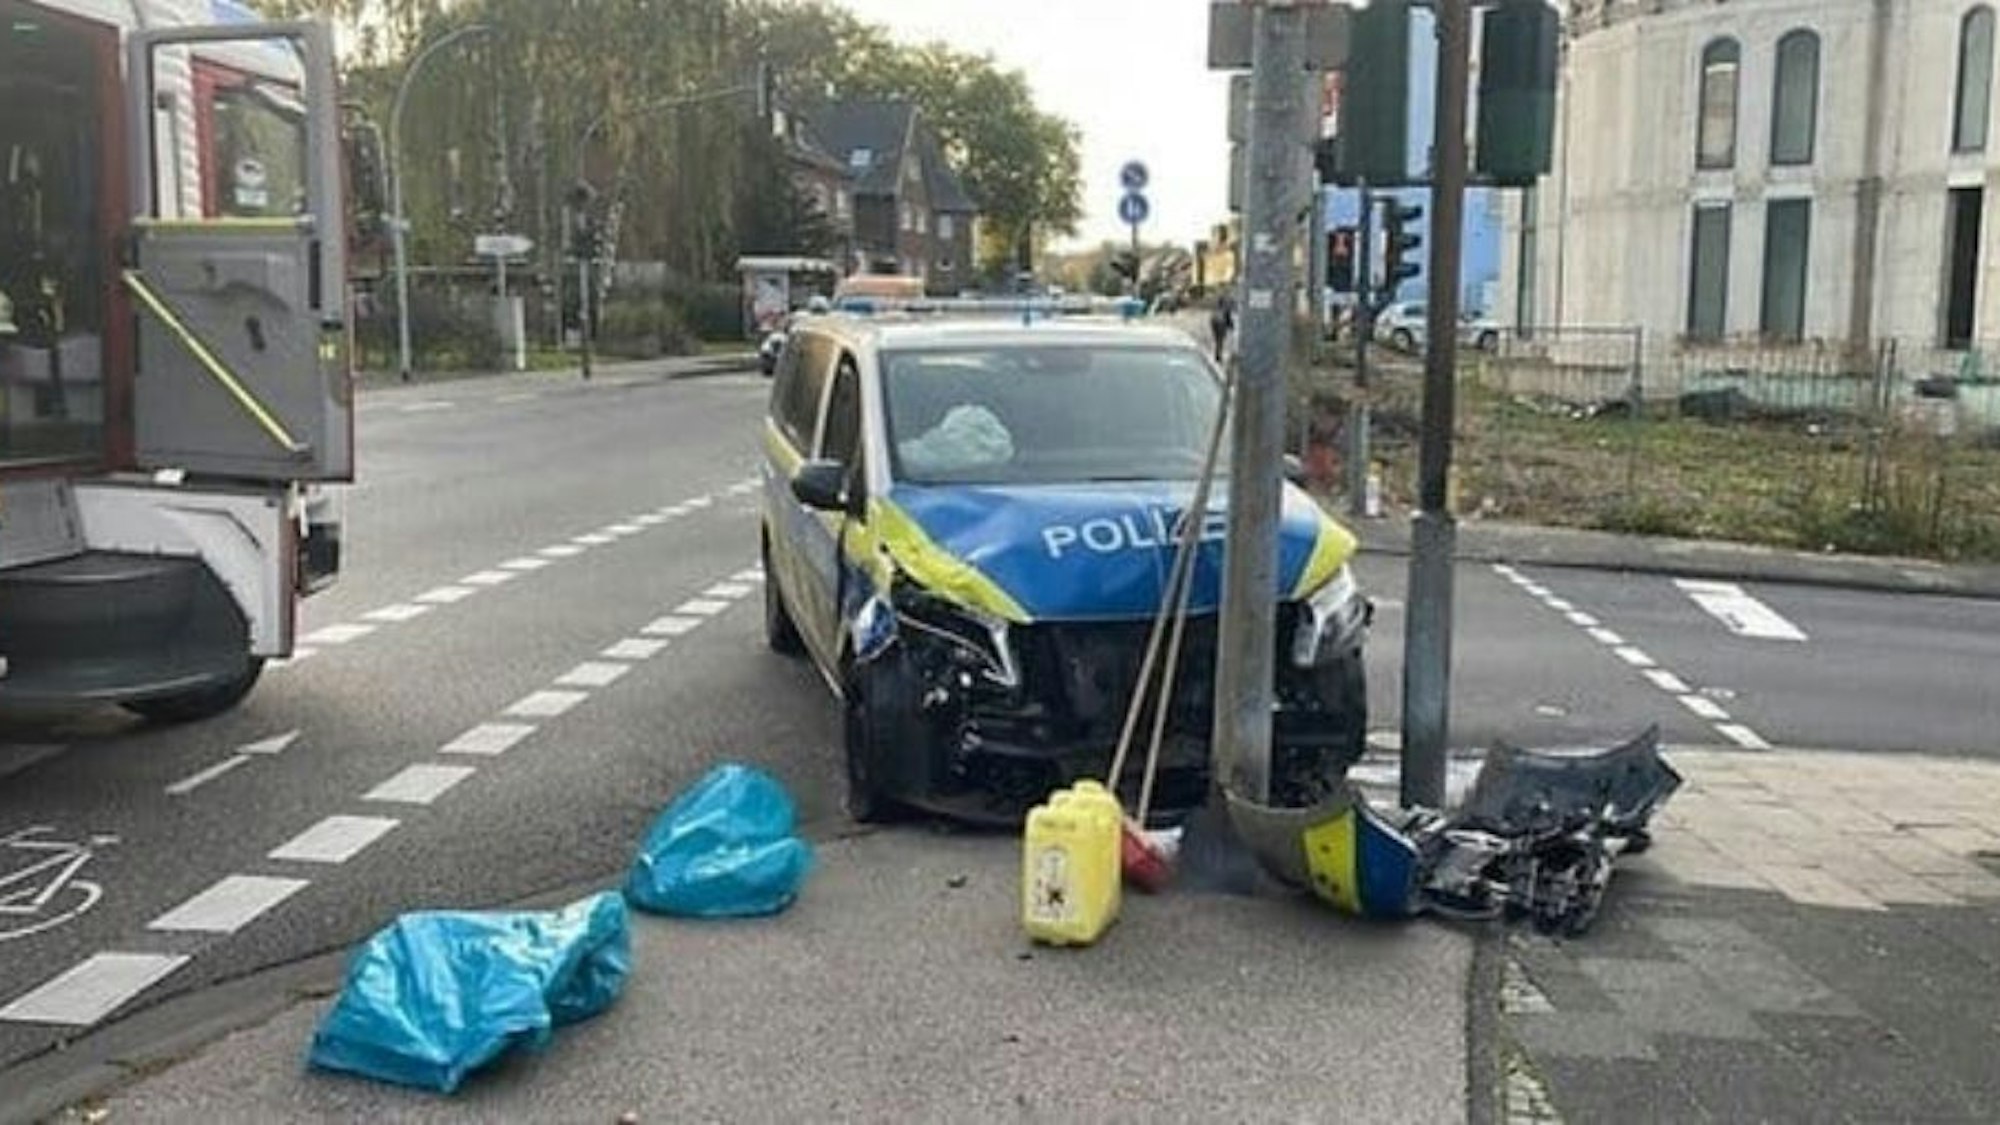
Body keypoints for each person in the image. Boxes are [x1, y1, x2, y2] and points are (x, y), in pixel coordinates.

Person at [1209, 290, 1236, 362]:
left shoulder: (1217, 307)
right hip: (1221, 322)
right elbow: (1227, 316)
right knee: (1220, 340)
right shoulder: (1227, 306)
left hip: (1214, 320)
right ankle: (1218, 355)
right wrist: (1231, 326)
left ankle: (1217, 353)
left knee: (1217, 339)